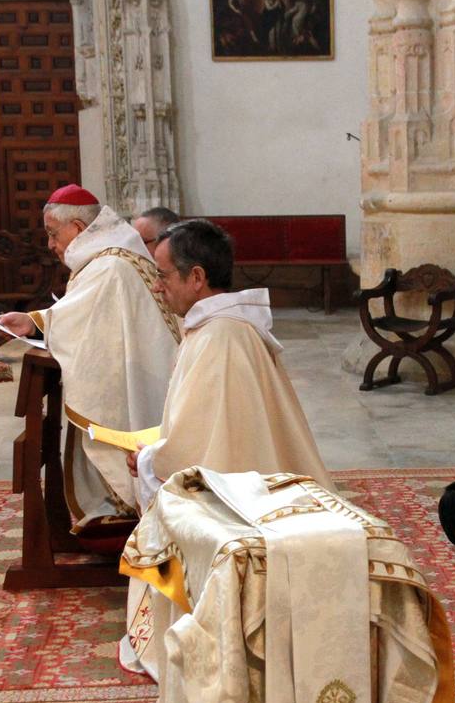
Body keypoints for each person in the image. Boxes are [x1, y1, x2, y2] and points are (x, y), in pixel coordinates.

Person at [0, 184, 181, 528]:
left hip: (131, 378)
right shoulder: (113, 256)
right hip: (145, 371)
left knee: (107, 423)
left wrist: (38, 323)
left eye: (53, 234)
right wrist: (35, 321)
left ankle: (120, 507)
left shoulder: (108, 266)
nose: (51, 245)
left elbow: (81, 322)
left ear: (79, 229)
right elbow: (82, 315)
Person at [126, 218, 332, 510]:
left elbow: (198, 448)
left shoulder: (219, 338)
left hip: (243, 503)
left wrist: (149, 459)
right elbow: (208, 429)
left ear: (196, 277)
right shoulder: (219, 328)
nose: (157, 286)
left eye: (163, 275)